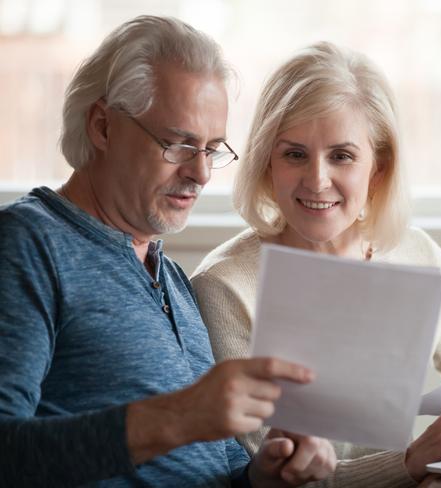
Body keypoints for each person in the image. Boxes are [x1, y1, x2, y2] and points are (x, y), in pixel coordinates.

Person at [0, 16, 338, 487]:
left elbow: (211, 470)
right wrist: (177, 416)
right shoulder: (27, 245)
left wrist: (264, 475)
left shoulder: (174, 278)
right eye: (179, 144)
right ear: (102, 125)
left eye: (212, 149)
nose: (200, 174)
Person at [191, 42, 441, 486]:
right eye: (294, 154)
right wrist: (412, 461)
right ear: (266, 163)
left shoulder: (414, 254)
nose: (317, 179)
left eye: (342, 155)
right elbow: (276, 477)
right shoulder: (225, 287)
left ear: (378, 168)